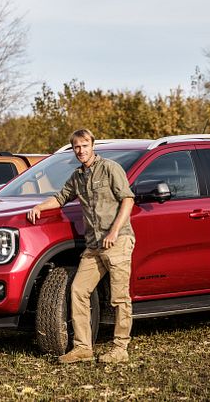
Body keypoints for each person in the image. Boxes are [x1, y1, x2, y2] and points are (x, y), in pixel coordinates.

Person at [27, 129, 135, 364]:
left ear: (92, 145)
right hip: (94, 245)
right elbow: (60, 197)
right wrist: (39, 207)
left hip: (117, 241)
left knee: (119, 297)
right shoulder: (78, 176)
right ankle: (83, 348)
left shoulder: (110, 169)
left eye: (85, 145)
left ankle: (120, 348)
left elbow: (128, 199)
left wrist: (115, 230)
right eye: (77, 147)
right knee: (78, 291)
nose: (81, 150)